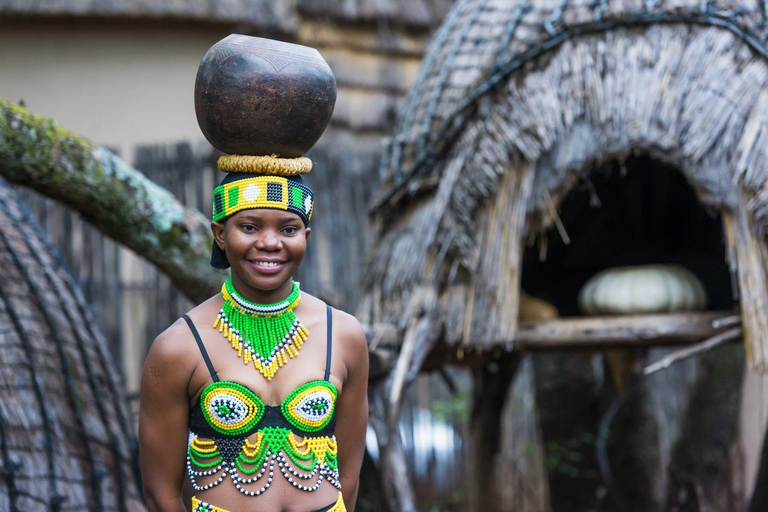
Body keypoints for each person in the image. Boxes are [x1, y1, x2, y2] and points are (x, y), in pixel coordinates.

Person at [139, 170, 369, 512]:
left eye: (288, 229)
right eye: (249, 227)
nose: (270, 243)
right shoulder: (179, 347)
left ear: (305, 236)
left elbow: (348, 477)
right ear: (220, 234)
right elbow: (161, 494)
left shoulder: (344, 335)